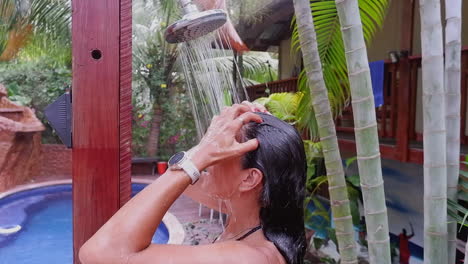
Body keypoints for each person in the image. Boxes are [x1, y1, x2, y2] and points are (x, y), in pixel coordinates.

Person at [79, 102, 307, 264]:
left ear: (249, 179)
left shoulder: (249, 258)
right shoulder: (248, 214)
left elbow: (100, 253)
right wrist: (206, 146)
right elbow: (186, 180)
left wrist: (198, 157)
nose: (210, 159)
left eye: (221, 152)